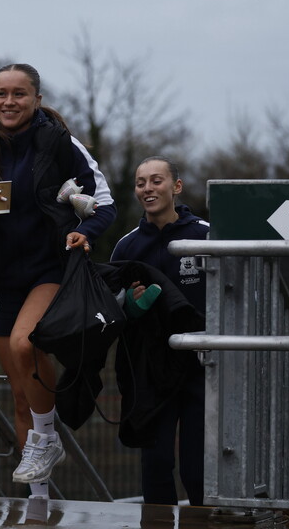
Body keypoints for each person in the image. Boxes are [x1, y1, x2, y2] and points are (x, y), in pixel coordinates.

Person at [0, 63, 116, 500]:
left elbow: (106, 205)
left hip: (51, 269)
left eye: (19, 94)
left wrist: (85, 233)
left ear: (37, 99)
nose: (9, 102)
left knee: (26, 344)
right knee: (21, 396)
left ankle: (48, 439)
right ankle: (37, 503)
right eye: (1, 93)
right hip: (3, 276)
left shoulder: (58, 141)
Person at [110, 156, 209, 506]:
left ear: (176, 187)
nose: (148, 189)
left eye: (156, 180)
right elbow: (111, 310)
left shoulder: (207, 236)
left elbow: (237, 297)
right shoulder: (127, 246)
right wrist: (131, 307)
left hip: (203, 367)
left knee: (198, 471)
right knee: (156, 464)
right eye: (141, 182)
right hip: (152, 370)